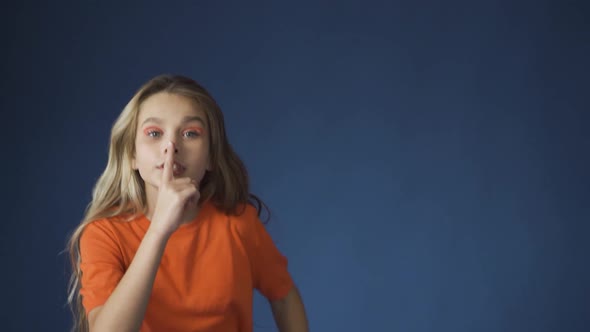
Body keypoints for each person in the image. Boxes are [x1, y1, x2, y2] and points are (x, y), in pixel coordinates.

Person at [66, 74, 309, 332]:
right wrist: (159, 229)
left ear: (211, 158)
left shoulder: (239, 224)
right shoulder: (104, 234)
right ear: (132, 156)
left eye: (190, 133)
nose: (171, 147)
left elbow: (284, 296)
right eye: (154, 133)